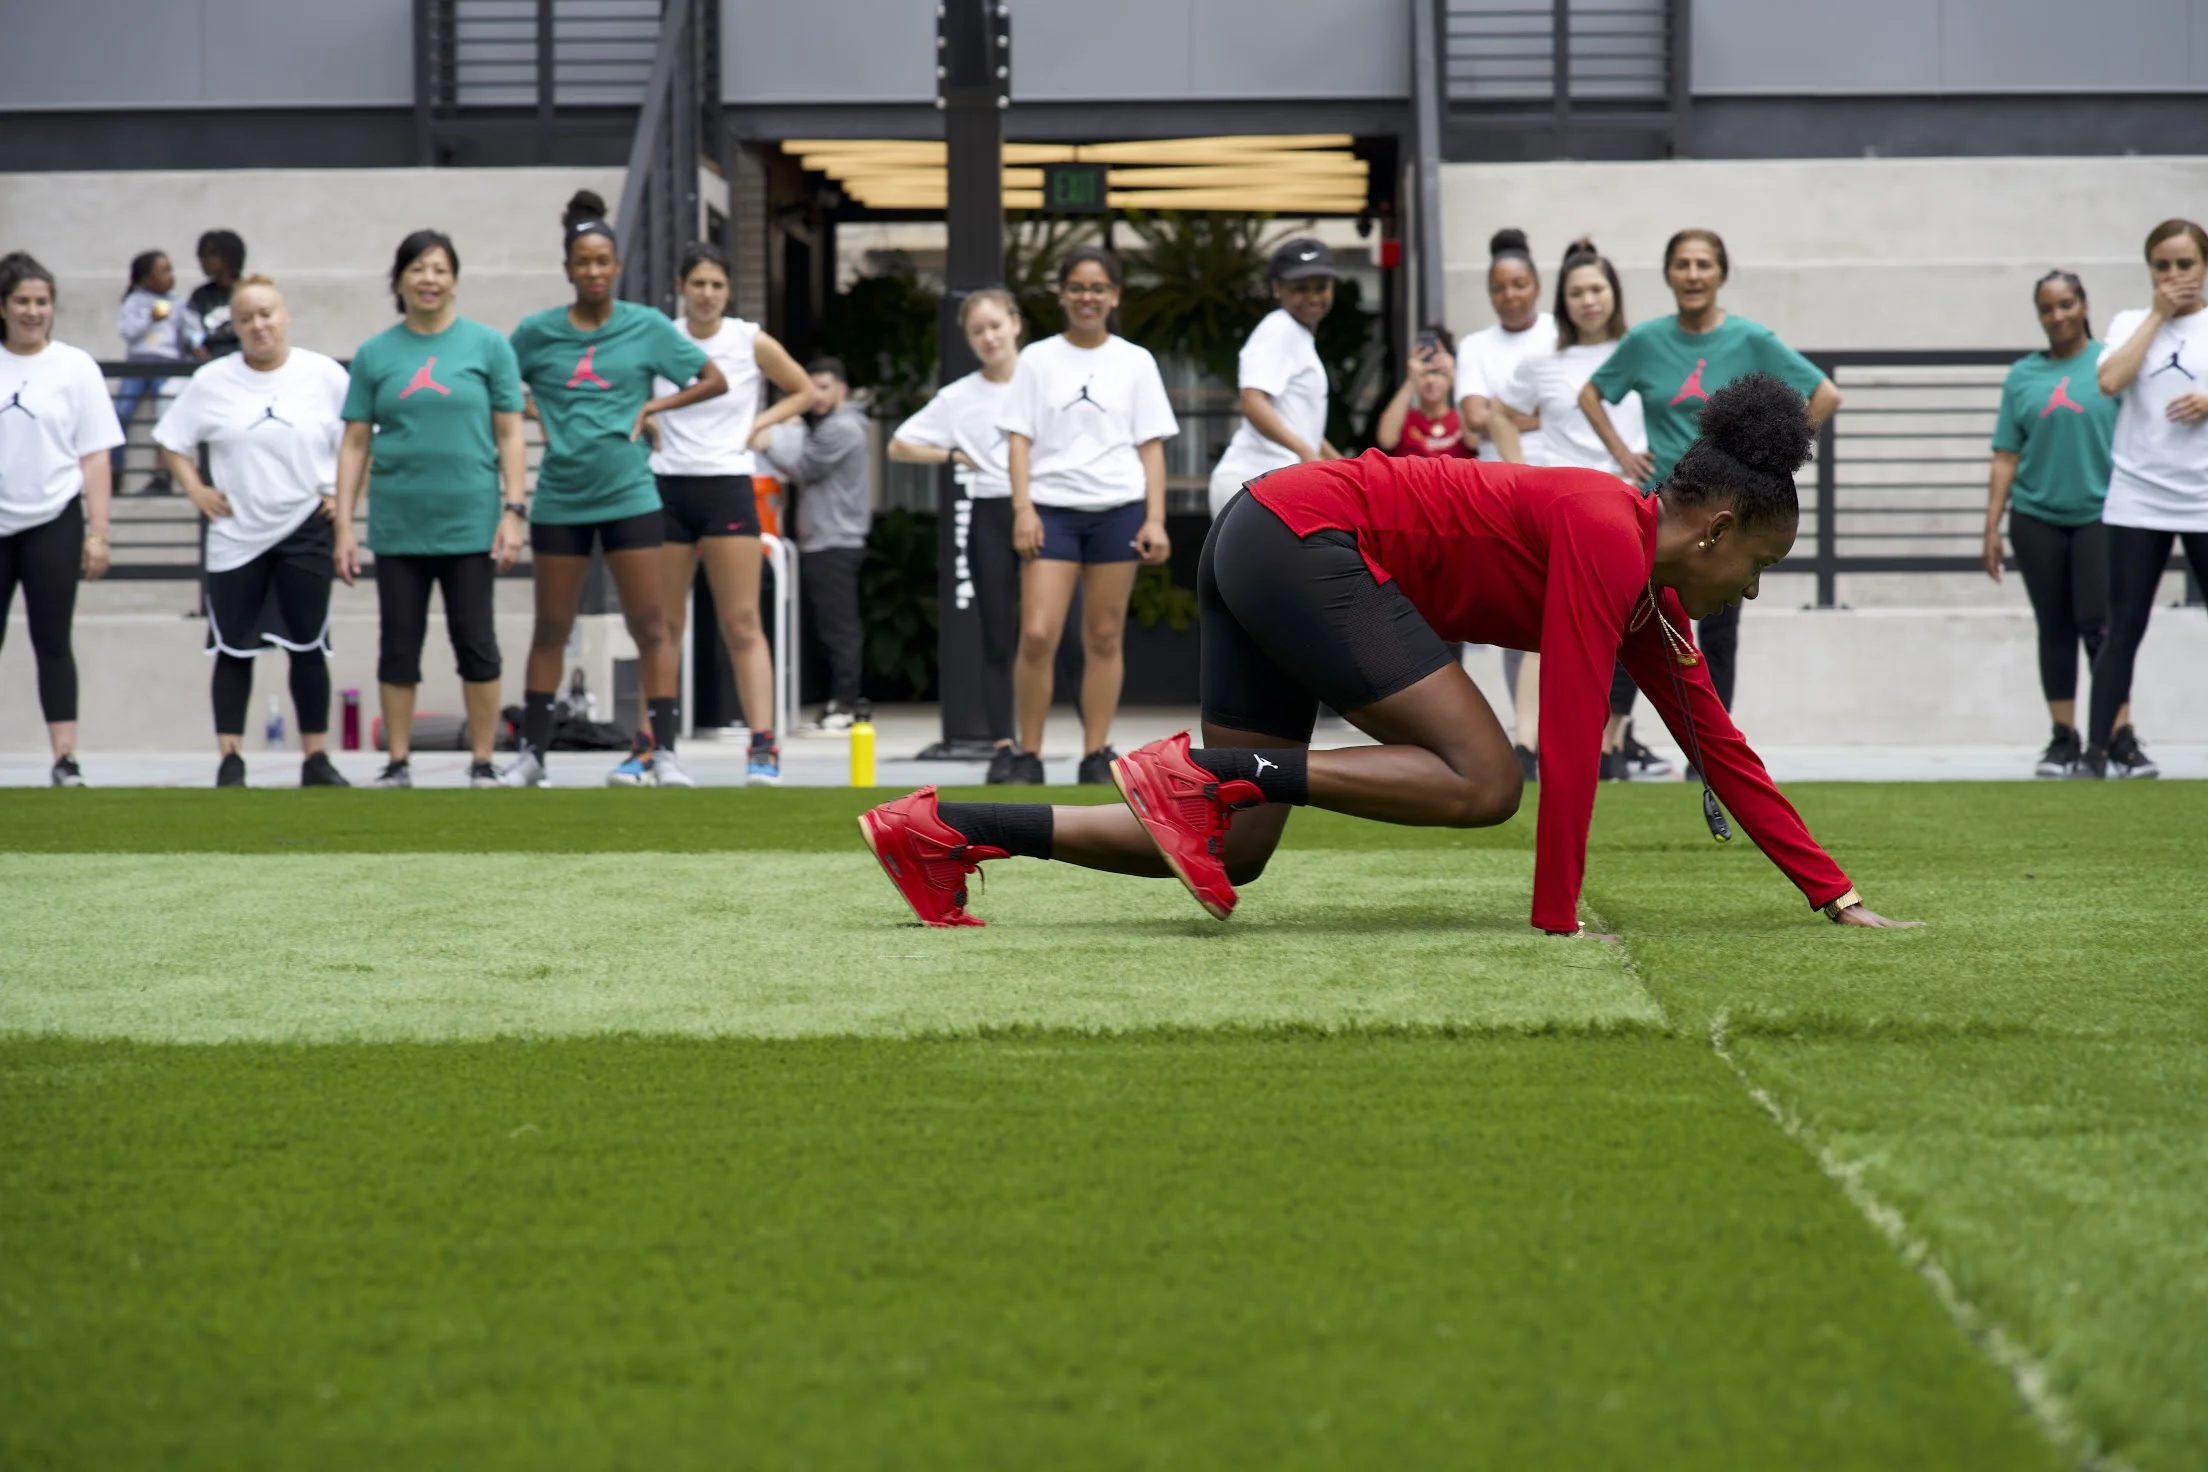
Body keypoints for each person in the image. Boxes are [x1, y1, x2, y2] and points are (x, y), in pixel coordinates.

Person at [859, 375, 1919, 938]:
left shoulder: (1652, 600)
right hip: (1302, 536)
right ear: (1719, 526)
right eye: (1763, 561)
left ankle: (940, 829)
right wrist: (1556, 921)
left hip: (1266, 534)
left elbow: (1721, 749)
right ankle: (1209, 770)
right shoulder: (1608, 530)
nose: (1756, 586)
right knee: (1490, 775)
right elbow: (1564, 742)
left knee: (1234, 850)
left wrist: (1836, 896)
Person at [501, 190, 727, 788]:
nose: (594, 271)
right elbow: (495, 383)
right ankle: (532, 757)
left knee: (651, 626)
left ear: (617, 266)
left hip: (630, 495)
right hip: (561, 498)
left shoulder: (647, 327)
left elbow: (712, 379)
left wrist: (656, 402)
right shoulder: (537, 332)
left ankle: (665, 755)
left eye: (603, 262)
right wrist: (535, 411)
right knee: (551, 627)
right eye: (583, 262)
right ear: (568, 268)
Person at [1582, 227, 1840, 712]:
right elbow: (1590, 394)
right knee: (1632, 616)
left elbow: (1826, 394)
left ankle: (1710, 749)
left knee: (1719, 630)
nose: (1693, 274)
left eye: (1704, 264)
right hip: (1660, 509)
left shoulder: (1751, 339)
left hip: (1728, 514)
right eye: (1682, 264)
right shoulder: (1644, 341)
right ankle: (1612, 740)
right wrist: (1621, 452)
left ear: (1721, 273)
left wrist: (1771, 459)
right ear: (1668, 274)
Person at [334, 229, 529, 790]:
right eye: (417, 268)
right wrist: (345, 524)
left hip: (470, 523)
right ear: (398, 280)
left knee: (477, 643)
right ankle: (398, 763)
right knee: (398, 644)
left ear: (456, 281)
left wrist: (513, 510)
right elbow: (354, 444)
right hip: (399, 526)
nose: (429, 279)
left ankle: (483, 761)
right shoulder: (376, 354)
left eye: (440, 269)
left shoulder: (489, 346)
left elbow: (511, 435)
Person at [155, 274, 353, 788]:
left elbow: (357, 442)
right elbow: (172, 442)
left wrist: (342, 497)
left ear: (284, 315)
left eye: (267, 314)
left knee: (308, 644)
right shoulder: (212, 381)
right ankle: (231, 759)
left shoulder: (324, 375)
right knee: (234, 648)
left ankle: (315, 759)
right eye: (246, 318)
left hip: (306, 526)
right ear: (236, 327)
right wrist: (196, 489)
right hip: (236, 534)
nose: (258, 325)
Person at [1000, 245, 1178, 785]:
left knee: (1103, 637)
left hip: (1118, 509)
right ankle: (1028, 755)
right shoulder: (1035, 359)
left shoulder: (1135, 361)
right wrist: (1023, 507)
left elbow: (1151, 446)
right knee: (1037, 633)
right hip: (1051, 510)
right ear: (1061, 295)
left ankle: (1094, 753)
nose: (1087, 297)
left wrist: (1155, 518)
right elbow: (1018, 440)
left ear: (1114, 296)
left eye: (1098, 288)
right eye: (1077, 287)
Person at [1492, 239, 1662, 784]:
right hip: (1566, 506)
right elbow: (1499, 414)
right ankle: (1525, 743)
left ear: (1613, 293)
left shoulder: (1642, 348)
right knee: (1548, 624)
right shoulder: (1545, 361)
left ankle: (1610, 742)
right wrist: (1521, 476)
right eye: (1577, 292)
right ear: (1563, 302)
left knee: (1631, 628)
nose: (1589, 300)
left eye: (1597, 289)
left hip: (1631, 505)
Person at [646, 241, 815, 784]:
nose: (708, 294)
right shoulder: (660, 336)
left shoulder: (747, 338)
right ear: (681, 286)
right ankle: (654, 745)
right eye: (698, 283)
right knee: (663, 625)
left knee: (742, 621)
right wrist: (645, 424)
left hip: (728, 485)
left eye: (717, 284)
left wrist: (762, 426)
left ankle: (763, 747)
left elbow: (803, 389)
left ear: (728, 290)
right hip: (668, 484)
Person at [2078, 218, 2208, 780]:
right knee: (2122, 628)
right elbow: (2109, 381)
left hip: (2203, 498)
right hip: (2137, 499)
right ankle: (2096, 754)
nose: (2174, 275)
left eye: (2185, 264)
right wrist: (2157, 315)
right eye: (2162, 265)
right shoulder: (2132, 321)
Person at [1981, 270, 2121, 778]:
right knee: (2054, 627)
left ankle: (2115, 738)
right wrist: (1991, 527)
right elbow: (2004, 455)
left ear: (2083, 304)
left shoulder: (2112, 363)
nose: (2057, 316)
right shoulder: (2023, 376)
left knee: (2100, 625)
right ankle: (2063, 738)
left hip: (2101, 514)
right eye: (2047, 307)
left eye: (2066, 304)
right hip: (2037, 516)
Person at [0, 252, 123, 787]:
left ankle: (65, 757)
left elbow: (95, 454)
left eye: (42, 302)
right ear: (3, 307)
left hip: (53, 517)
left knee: (53, 640)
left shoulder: (75, 368)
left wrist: (98, 532)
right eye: (22, 302)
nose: (33, 312)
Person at [890, 287, 1023, 780]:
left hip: (1047, 508)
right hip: (989, 510)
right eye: (977, 331)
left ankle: (1069, 744)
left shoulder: (1043, 380)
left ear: (1016, 324)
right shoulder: (958, 396)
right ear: (968, 339)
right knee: (995, 634)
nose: (989, 337)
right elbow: (898, 445)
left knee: (1051, 634)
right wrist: (951, 455)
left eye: (995, 325)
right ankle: (1005, 746)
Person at [758, 356, 870, 734]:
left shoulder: (841, 428)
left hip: (834, 540)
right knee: (830, 624)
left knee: (839, 627)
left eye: (823, 387)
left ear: (842, 389)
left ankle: (846, 705)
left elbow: (803, 467)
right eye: (811, 387)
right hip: (824, 539)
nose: (816, 396)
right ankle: (839, 703)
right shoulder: (828, 425)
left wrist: (769, 438)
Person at [1204, 237, 1339, 516]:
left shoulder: (1297, 334)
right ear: (1277, 288)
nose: (1313, 296)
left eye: (1321, 286)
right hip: (1257, 479)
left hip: (1271, 481)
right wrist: (1305, 451)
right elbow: (1252, 402)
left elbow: (1301, 423)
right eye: (1300, 288)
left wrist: (1338, 464)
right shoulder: (1278, 329)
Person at [1454, 229, 1553, 461]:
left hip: (1560, 464)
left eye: (1520, 285)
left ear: (1537, 287)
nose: (1509, 295)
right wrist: (1547, 413)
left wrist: (1500, 416)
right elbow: (1476, 418)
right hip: (1497, 470)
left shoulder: (1560, 332)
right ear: (1490, 294)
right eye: (1498, 289)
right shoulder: (1474, 345)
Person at [114, 249, 185, 489]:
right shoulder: (133, 302)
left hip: (167, 362)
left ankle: (162, 475)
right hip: (138, 363)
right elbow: (127, 332)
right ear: (146, 278)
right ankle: (114, 469)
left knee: (166, 414)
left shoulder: (178, 303)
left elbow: (185, 333)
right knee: (120, 412)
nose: (170, 276)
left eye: (170, 270)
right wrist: (150, 319)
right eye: (163, 272)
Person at [1374, 326, 1470, 459]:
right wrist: (1410, 381)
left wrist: (1455, 378)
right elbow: (1385, 440)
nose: (1430, 381)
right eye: (1424, 373)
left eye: (1437, 373)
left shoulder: (1462, 418)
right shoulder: (1405, 419)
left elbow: (1473, 441)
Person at [182, 229, 245, 362]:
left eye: (209, 255)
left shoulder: (247, 292)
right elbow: (191, 327)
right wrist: (196, 346)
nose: (203, 261)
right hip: (208, 361)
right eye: (201, 256)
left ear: (228, 257)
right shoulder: (200, 295)